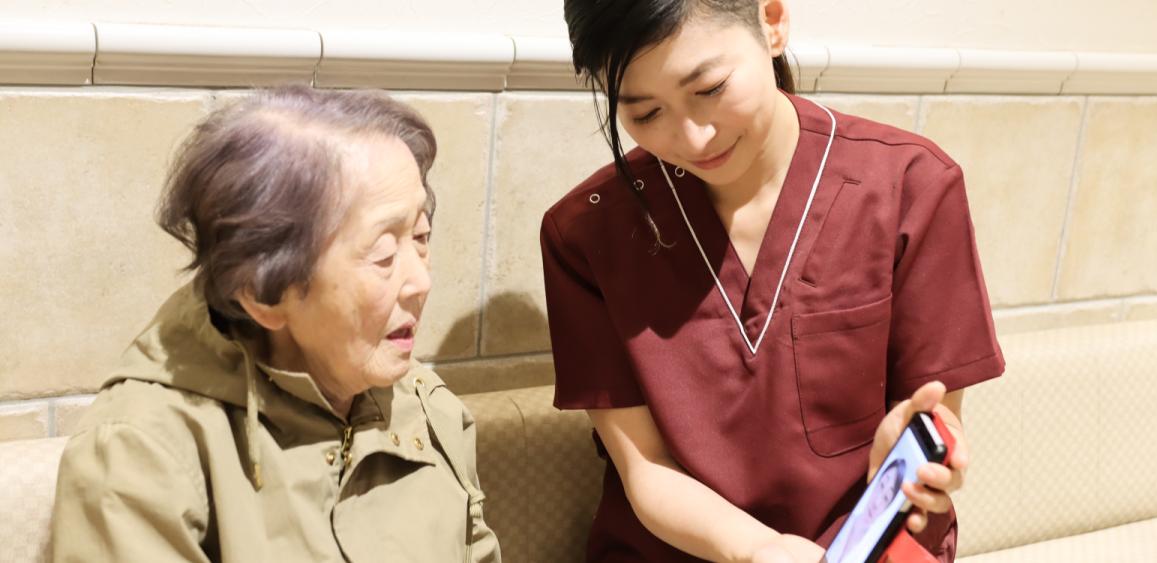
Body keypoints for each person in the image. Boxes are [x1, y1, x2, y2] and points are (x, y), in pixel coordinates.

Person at [541, 1, 1004, 561]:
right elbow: (645, 465)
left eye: (709, 89)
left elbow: (934, 422)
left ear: (772, 21)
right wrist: (759, 551)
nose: (692, 137)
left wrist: (906, 457)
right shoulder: (586, 235)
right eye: (645, 113)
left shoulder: (911, 186)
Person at [51, 86, 501, 562]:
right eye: (384, 254)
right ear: (263, 293)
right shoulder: (139, 455)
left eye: (422, 236)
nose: (421, 281)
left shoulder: (427, 407)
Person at [827, 459, 908, 563]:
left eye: (886, 497)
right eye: (882, 485)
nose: (877, 502)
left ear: (889, 505)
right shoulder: (842, 522)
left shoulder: (873, 544)